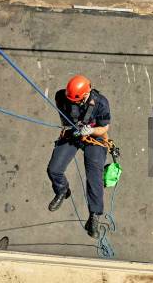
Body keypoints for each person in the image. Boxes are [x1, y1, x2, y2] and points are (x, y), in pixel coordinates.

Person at [47, 75, 111, 238]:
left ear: (85, 94)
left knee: (94, 177)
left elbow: (104, 128)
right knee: (54, 169)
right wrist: (73, 129)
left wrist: (91, 130)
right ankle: (63, 190)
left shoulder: (101, 102)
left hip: (93, 137)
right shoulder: (62, 97)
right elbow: (65, 119)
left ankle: (94, 215)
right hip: (73, 134)